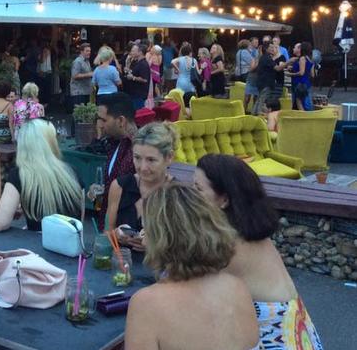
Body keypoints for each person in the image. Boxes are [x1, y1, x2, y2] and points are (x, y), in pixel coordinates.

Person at [194, 154, 324, 350]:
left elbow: (183, 291)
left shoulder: (229, 247)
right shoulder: (249, 234)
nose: (190, 196)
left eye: (197, 189)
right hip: (296, 331)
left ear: (224, 200)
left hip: (272, 339)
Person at [125, 182, 260, 350]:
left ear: (163, 238)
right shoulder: (237, 287)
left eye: (146, 230)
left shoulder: (146, 303)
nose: (144, 240)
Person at [0, 119, 82, 231]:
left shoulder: (19, 174)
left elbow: (0, 224)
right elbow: (78, 217)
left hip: (39, 245)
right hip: (71, 244)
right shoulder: (72, 171)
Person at [106, 122, 176, 251]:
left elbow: (185, 247)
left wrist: (157, 246)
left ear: (169, 157)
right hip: (122, 266)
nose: (143, 167)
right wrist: (115, 234)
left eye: (151, 160)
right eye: (137, 158)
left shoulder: (177, 194)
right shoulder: (119, 187)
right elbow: (106, 233)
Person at [91, 92, 137, 230]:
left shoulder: (140, 152)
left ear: (121, 121)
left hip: (127, 236)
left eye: (104, 120)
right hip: (107, 231)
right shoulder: (114, 143)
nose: (100, 125)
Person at [286, 41, 314, 111]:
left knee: (298, 101)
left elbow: (301, 72)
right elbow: (312, 74)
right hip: (306, 83)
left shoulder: (302, 58)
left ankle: (303, 116)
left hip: (299, 83)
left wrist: (290, 74)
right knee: (306, 102)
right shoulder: (310, 59)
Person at [125, 44, 150, 110]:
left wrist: (133, 78)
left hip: (139, 94)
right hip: (134, 93)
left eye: (134, 51)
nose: (132, 53)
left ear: (140, 52)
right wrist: (130, 71)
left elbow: (145, 79)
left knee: (138, 112)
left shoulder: (143, 64)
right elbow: (136, 73)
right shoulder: (137, 62)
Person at [69, 42, 93, 110]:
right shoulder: (78, 62)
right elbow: (75, 75)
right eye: (87, 51)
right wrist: (89, 74)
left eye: (90, 51)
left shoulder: (87, 61)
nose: (89, 52)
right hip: (78, 92)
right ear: (82, 51)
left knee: (84, 113)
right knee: (79, 113)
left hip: (86, 91)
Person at [244, 37, 260, 112]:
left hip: (258, 78)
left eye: (257, 42)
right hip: (251, 77)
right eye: (255, 42)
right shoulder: (247, 51)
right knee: (247, 97)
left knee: (256, 98)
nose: (257, 43)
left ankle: (254, 112)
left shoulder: (257, 52)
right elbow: (251, 67)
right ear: (251, 43)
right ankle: (243, 112)